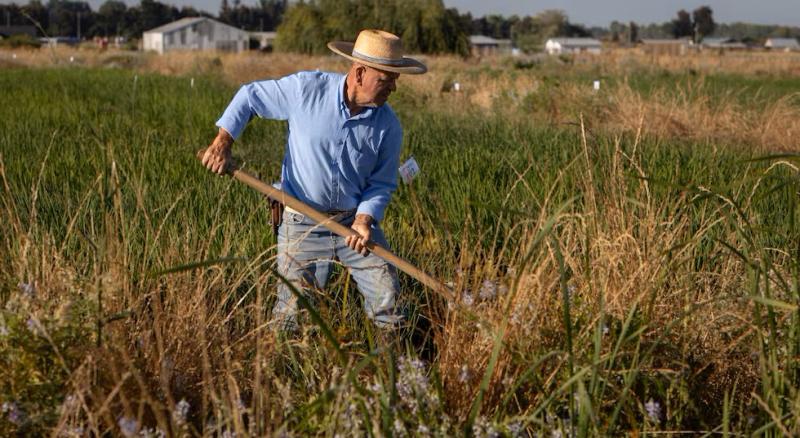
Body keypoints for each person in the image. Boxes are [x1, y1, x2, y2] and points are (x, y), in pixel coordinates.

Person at [200, 29, 427, 338]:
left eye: (395, 80)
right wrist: (223, 142)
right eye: (386, 80)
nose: (393, 89)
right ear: (359, 73)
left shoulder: (388, 125)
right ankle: (286, 371)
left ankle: (389, 368)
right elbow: (250, 97)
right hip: (301, 220)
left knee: (388, 300)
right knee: (292, 314)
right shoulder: (307, 90)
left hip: (352, 226)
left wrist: (364, 219)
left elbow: (382, 183)